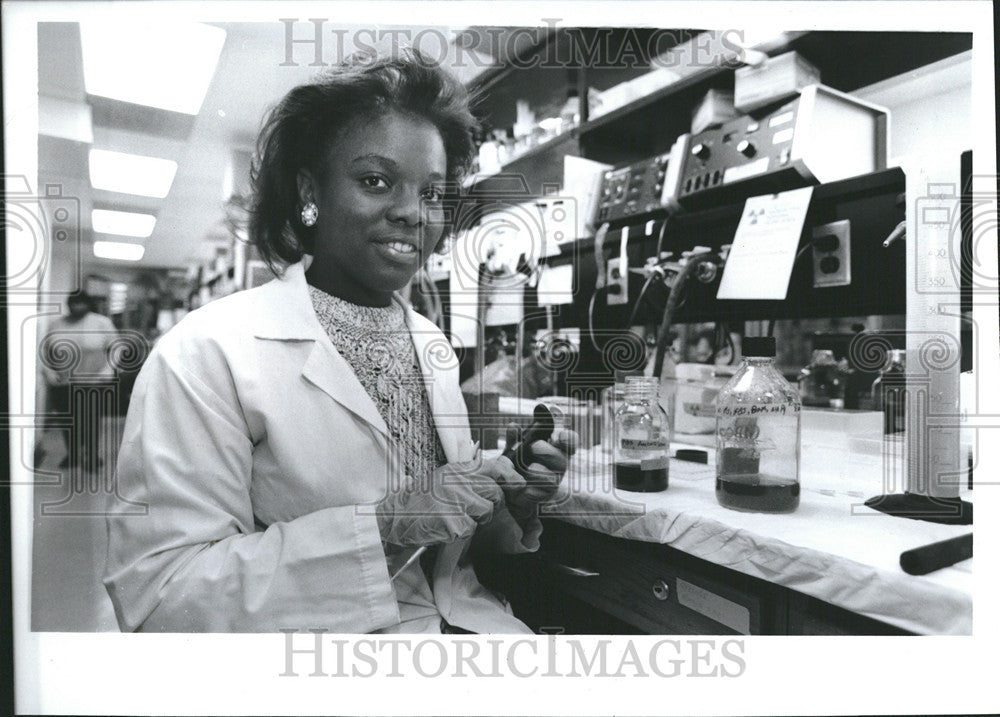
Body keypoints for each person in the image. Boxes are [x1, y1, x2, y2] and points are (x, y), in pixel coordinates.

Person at [103, 50, 574, 633]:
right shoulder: (205, 353)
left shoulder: (431, 346)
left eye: (431, 192)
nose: (411, 213)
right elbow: (162, 598)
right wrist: (384, 525)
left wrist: (510, 505)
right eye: (375, 181)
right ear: (311, 192)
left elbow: (445, 555)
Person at [41, 292, 119, 471]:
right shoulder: (56, 324)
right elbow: (44, 352)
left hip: (92, 381)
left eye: (81, 304)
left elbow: (117, 347)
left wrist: (109, 368)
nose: (77, 307)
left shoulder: (101, 322)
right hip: (63, 382)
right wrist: (49, 371)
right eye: (73, 304)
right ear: (69, 305)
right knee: (68, 421)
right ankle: (73, 455)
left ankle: (91, 456)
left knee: (90, 420)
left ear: (88, 305)